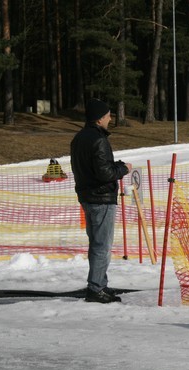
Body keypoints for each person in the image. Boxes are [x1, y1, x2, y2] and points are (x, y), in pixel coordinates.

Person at [71, 99, 131, 303]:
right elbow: (105, 173)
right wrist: (124, 169)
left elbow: (93, 167)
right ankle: (96, 289)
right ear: (99, 119)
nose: (110, 118)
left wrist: (116, 165)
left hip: (87, 197)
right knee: (101, 245)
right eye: (108, 115)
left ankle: (100, 284)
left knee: (96, 242)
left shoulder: (79, 138)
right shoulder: (98, 140)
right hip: (101, 198)